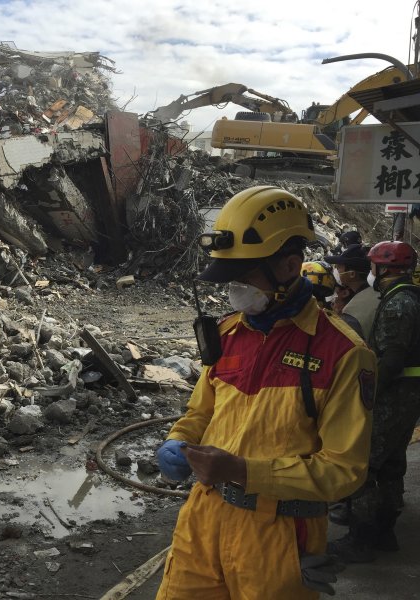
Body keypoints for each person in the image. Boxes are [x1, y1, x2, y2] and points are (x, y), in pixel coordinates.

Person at [156, 186, 375, 599]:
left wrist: (243, 472)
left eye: (243, 276)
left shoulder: (343, 353)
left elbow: (343, 471)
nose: (234, 288)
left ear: (290, 266)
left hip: (280, 537)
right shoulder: (227, 333)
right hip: (202, 522)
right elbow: (201, 411)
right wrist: (178, 440)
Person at [328, 241, 420, 563]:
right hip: (409, 395)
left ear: (383, 268)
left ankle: (361, 538)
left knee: (364, 465)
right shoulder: (411, 296)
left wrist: (368, 395)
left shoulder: (398, 303)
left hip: (394, 394)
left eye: (374, 266)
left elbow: (392, 358)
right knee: (393, 463)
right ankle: (385, 532)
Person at [325, 244, 379, 341]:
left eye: (339, 267)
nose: (336, 270)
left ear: (352, 274)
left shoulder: (351, 312)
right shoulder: (378, 292)